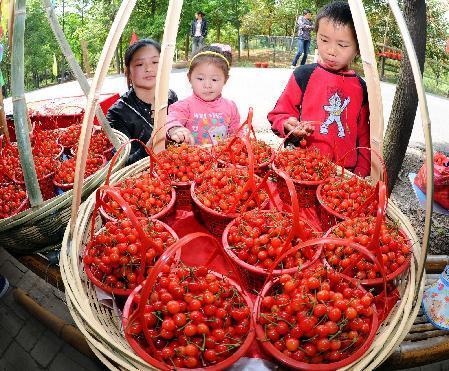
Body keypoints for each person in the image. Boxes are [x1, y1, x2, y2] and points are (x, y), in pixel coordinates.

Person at [268, 1, 371, 177]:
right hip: (303, 167)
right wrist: (288, 125)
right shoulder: (303, 75)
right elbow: (278, 114)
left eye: (343, 45)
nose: (331, 50)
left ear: (358, 49)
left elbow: (364, 136)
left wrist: (360, 172)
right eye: (324, 40)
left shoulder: (361, 88)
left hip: (344, 173)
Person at [107, 39, 178, 165]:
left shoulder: (170, 97)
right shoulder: (117, 113)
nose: (149, 68)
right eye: (140, 64)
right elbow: (122, 163)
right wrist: (150, 147)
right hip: (144, 181)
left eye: (155, 62)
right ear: (128, 72)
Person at [165, 44, 240, 146]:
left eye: (214, 79)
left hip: (222, 160)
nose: (207, 85)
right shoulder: (184, 106)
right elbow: (171, 119)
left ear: (225, 80)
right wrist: (175, 129)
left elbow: (237, 134)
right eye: (200, 79)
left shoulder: (230, 107)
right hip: (192, 160)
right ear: (189, 78)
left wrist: (241, 140)